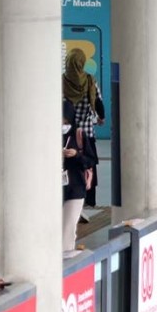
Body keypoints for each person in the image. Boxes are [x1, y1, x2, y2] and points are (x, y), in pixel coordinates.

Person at [63, 48, 104, 208]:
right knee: (89, 164)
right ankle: (89, 200)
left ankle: (70, 198)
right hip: (86, 132)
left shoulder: (62, 81)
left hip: (67, 133)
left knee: (68, 165)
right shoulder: (89, 80)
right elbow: (98, 102)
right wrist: (101, 117)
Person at [62, 99, 95, 256]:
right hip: (54, 190)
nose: (62, 123)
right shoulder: (48, 136)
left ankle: (65, 262)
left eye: (65, 119)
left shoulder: (78, 135)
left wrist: (76, 155)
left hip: (75, 189)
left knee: (68, 229)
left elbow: (91, 160)